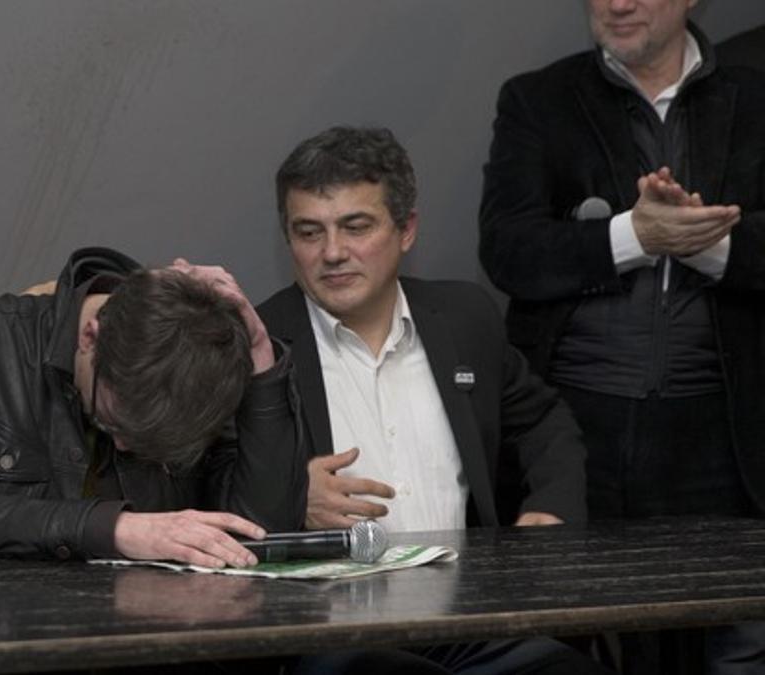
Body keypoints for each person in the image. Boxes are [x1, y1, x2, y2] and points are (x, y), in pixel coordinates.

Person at [480, 1, 765, 671]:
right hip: (580, 428)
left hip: (728, 434)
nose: (618, 3)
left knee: (739, 646)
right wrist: (633, 236)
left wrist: (707, 246)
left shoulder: (755, 99)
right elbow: (508, 249)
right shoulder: (537, 100)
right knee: (574, 641)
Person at [258, 126, 604, 674]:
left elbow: (542, 419)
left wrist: (552, 511)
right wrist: (286, 499)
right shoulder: (256, 346)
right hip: (327, 633)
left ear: (407, 230)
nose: (332, 253)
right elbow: (200, 489)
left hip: (467, 620)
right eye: (308, 232)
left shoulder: (464, 319)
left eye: (356, 226)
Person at [0, 246, 308, 568]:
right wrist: (114, 529)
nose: (127, 447)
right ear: (90, 337)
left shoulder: (201, 366)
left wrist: (260, 359)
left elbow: (261, 533)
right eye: (114, 421)